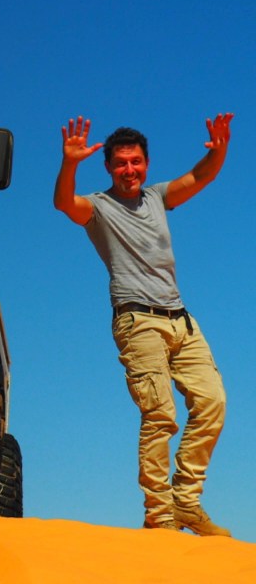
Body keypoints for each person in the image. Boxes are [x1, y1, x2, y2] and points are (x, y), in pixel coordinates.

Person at [53, 114, 234, 536]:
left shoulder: (157, 197)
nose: (129, 170)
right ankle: (160, 517)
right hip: (139, 322)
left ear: (146, 164)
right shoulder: (98, 208)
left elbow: (200, 175)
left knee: (213, 403)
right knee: (160, 415)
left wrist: (221, 149)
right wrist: (69, 163)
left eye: (135, 162)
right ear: (109, 167)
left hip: (181, 321)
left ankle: (186, 503)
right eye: (121, 163)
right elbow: (64, 203)